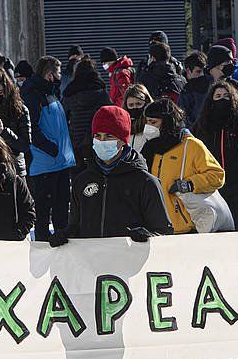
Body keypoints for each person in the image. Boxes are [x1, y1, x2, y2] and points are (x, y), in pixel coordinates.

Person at [50, 105, 173, 244]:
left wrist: (148, 236)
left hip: (128, 261)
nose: (102, 141)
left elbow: (164, 231)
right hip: (90, 261)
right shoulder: (82, 181)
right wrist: (65, 234)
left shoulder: (145, 182)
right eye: (97, 136)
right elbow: (75, 226)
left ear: (122, 141)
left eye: (109, 136)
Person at [140, 98, 225, 234]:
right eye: (147, 122)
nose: (148, 127)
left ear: (167, 122)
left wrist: (189, 184)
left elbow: (217, 175)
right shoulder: (149, 148)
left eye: (153, 122)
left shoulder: (191, 145)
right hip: (156, 226)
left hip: (188, 227)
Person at [194, 79, 238, 231]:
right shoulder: (202, 126)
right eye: (218, 96)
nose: (222, 99)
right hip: (212, 186)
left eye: (226, 96)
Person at [20, 56, 76, 241]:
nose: (60, 76)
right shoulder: (33, 93)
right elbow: (32, 128)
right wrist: (50, 148)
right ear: (50, 74)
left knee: (61, 206)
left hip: (59, 160)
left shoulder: (50, 92)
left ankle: (62, 236)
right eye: (59, 72)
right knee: (44, 209)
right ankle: (43, 242)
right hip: (46, 161)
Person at [62, 56, 112, 169]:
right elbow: (110, 112)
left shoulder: (69, 93)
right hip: (97, 139)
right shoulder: (101, 92)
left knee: (78, 175)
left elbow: (63, 117)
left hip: (75, 140)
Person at [178, 51, 211, 124]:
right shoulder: (187, 91)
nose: (202, 75)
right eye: (198, 72)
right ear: (188, 71)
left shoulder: (212, 86)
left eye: (204, 71)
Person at [123, 84, 154, 154]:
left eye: (138, 104)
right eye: (131, 105)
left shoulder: (152, 124)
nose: (135, 107)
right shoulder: (123, 126)